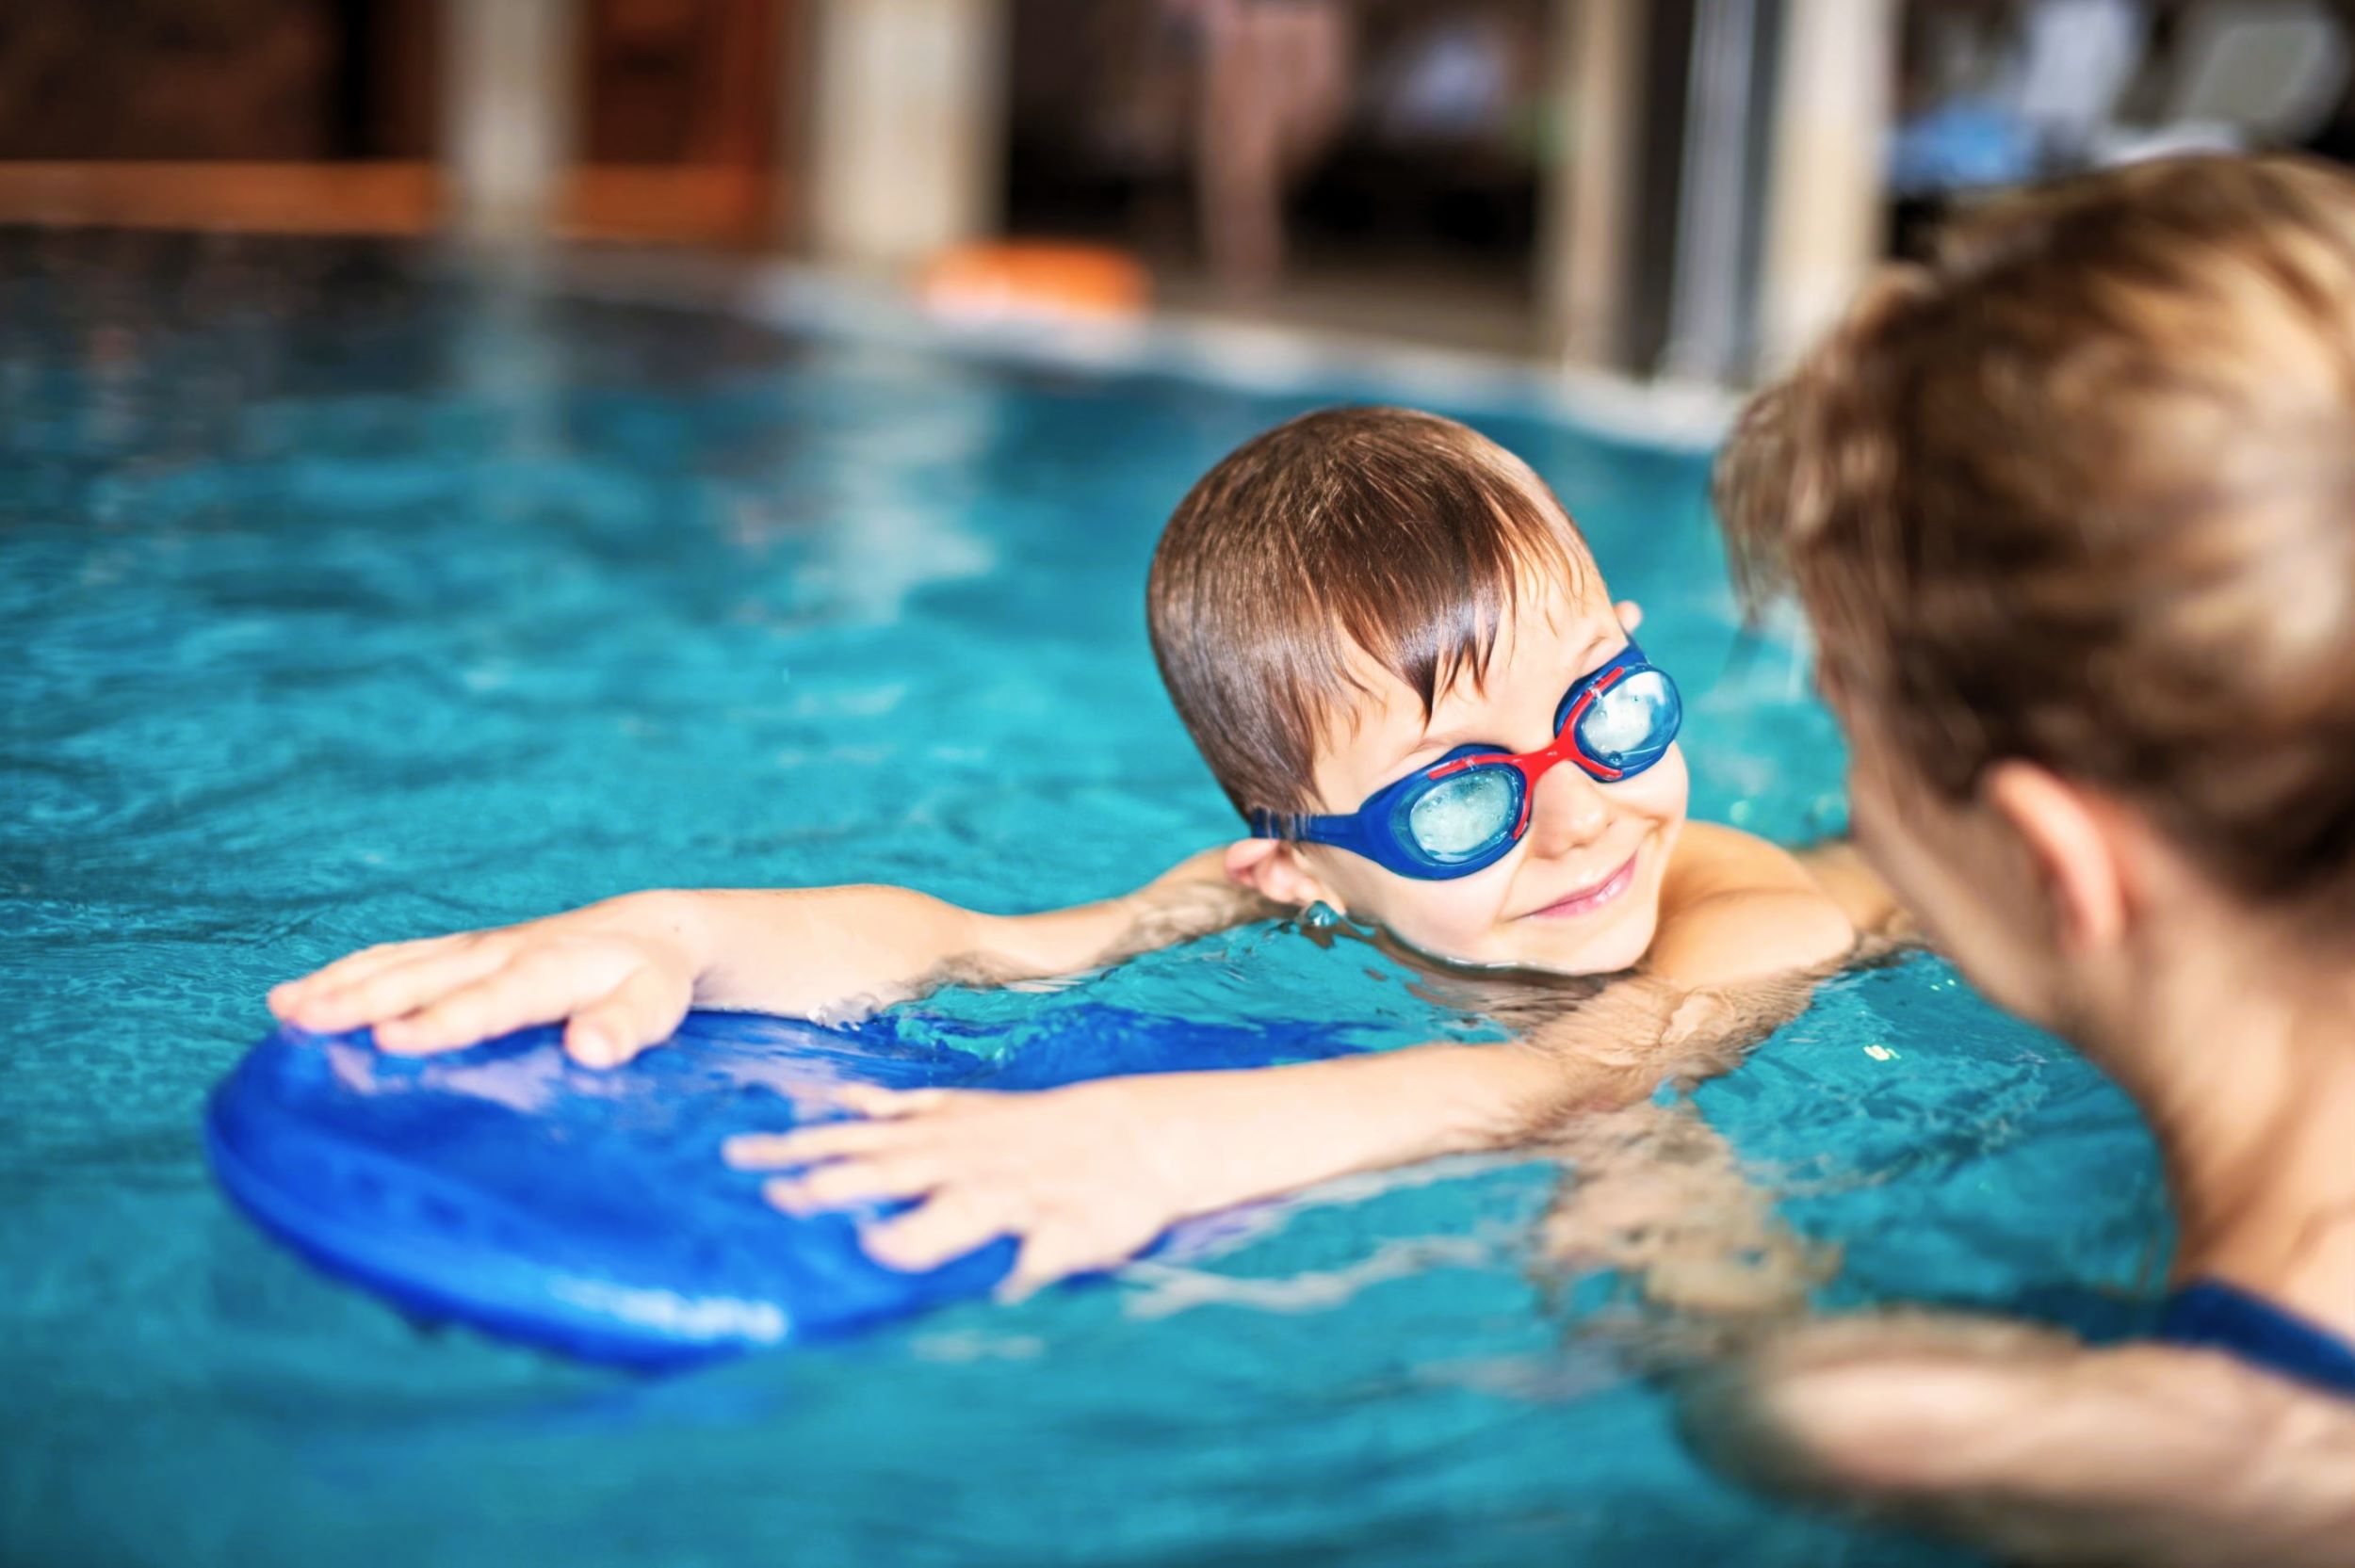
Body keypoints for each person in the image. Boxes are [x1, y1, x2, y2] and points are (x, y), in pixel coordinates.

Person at [269, 406, 1903, 1301]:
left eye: (1609, 710)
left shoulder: (1749, 908)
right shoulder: (1291, 899)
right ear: (1298, 866)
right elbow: (992, 943)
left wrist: (1179, 1139)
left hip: (1898, 917)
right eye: (1459, 798)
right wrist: (674, 930)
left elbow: (1586, 1071)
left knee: (1673, 1243)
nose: (1582, 811)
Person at [1701, 153, 2355, 1565]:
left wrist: (1643, 1191)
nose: (1857, 805)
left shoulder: (1944, 1431)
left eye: (1853, 733)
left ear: (2059, 863)